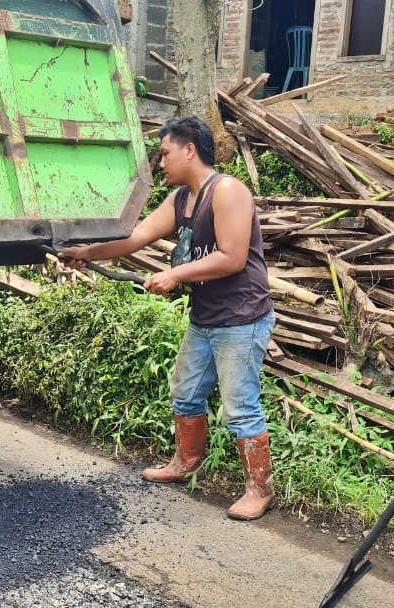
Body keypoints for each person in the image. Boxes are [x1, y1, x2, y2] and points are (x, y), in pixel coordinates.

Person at [60, 116, 277, 520]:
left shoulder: (228, 191)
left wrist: (175, 274)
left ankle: (259, 489)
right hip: (206, 317)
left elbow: (232, 257)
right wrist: (86, 253)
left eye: (164, 153)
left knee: (240, 406)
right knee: (186, 391)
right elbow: (136, 238)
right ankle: (186, 462)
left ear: (189, 149)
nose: (160, 163)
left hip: (241, 318)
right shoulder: (181, 199)